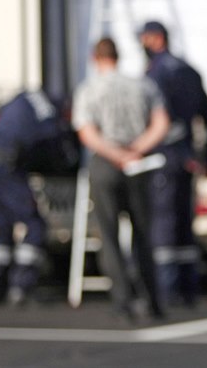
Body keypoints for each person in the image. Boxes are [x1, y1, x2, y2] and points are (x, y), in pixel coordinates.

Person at [72, 37, 171, 322]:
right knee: (143, 233)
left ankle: (124, 301)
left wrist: (115, 154)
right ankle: (153, 300)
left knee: (110, 235)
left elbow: (88, 133)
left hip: (107, 161)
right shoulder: (143, 85)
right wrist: (137, 149)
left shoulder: (90, 89)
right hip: (138, 161)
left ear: (95, 58)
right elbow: (161, 123)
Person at [0, 90, 79, 307]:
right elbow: (60, 154)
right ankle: (21, 286)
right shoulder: (51, 117)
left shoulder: (27, 95)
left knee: (3, 226)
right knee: (35, 225)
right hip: (7, 166)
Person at [140, 20, 207, 308]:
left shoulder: (157, 74)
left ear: (156, 39)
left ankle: (167, 288)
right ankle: (188, 288)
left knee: (164, 224)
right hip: (187, 161)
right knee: (185, 224)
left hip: (162, 157)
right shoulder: (189, 71)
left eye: (145, 39)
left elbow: (154, 118)